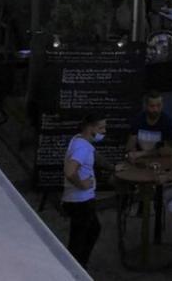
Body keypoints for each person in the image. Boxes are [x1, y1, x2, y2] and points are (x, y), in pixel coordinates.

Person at [63, 112, 106, 266]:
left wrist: (113, 167)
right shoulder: (82, 148)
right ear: (90, 128)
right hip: (80, 201)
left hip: (82, 200)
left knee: (93, 230)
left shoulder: (80, 140)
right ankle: (77, 268)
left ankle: (80, 265)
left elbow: (96, 155)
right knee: (79, 240)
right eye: (101, 128)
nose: (104, 132)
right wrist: (82, 184)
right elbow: (70, 172)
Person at [126, 90, 172, 159]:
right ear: (145, 106)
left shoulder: (167, 122)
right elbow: (130, 147)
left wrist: (143, 154)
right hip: (139, 160)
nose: (155, 109)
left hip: (158, 159)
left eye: (158, 105)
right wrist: (132, 153)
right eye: (152, 106)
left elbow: (169, 150)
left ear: (162, 105)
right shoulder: (137, 120)